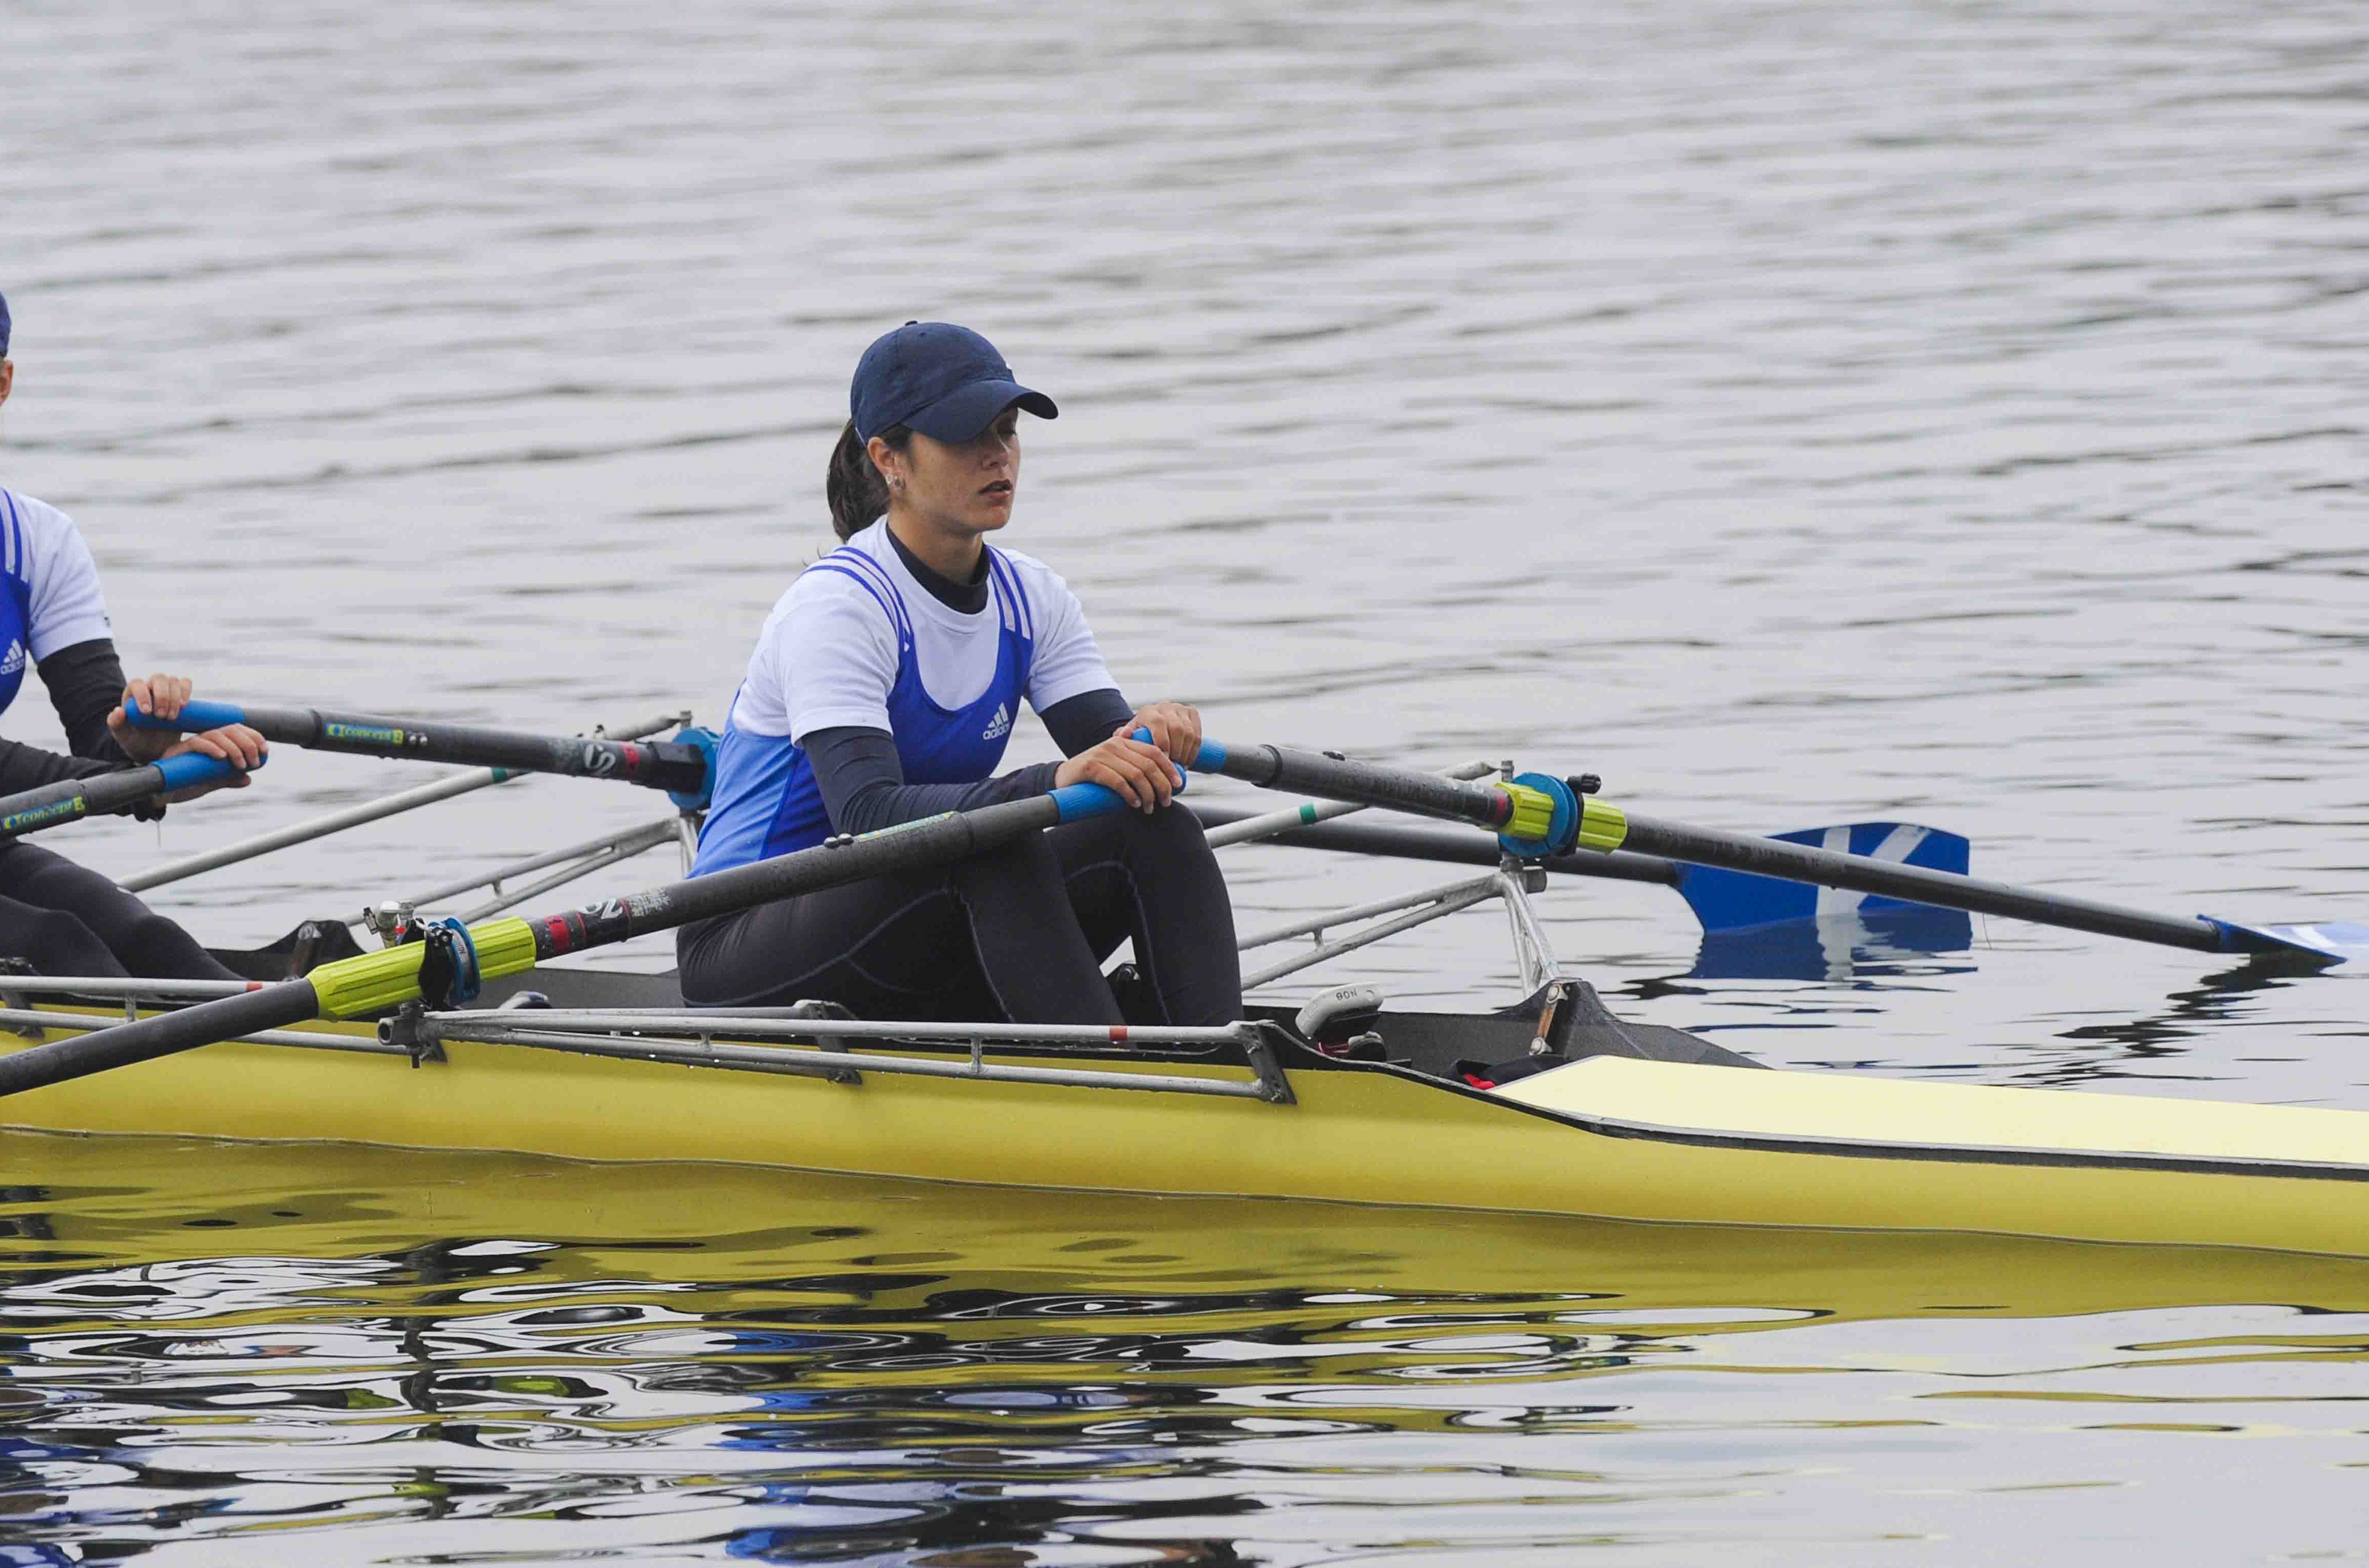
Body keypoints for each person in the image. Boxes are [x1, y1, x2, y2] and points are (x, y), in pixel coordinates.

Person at [680, 321, 1242, 1026]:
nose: (997, 457)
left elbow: (1115, 760)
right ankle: (1101, 1084)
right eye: (966, 436)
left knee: (1154, 822)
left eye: (1006, 431)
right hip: (742, 940)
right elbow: (867, 813)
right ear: (889, 458)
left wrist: (1151, 737)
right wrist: (1052, 782)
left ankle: (1212, 1060)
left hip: (903, 924)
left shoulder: (1031, 597)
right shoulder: (839, 607)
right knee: (987, 846)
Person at [0, 287, 268, 979]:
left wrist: (148, 752)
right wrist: (145, 785)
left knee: (156, 946)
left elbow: (99, 735)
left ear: (2, 382)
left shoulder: (38, 543)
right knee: (58, 947)